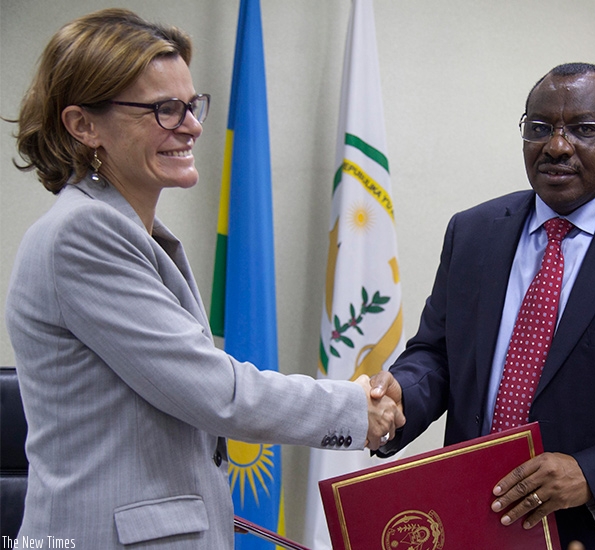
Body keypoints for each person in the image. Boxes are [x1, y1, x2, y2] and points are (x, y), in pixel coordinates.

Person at [4, 9, 403, 548]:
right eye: (164, 110)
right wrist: (355, 407)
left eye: (192, 106)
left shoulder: (137, 231)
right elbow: (215, 393)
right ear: (83, 125)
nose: (191, 125)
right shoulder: (86, 232)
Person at [373, 63, 595, 549]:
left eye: (583, 129)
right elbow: (438, 355)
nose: (557, 146)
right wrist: (403, 394)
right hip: (470, 521)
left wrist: (592, 474)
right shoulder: (473, 232)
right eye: (540, 128)